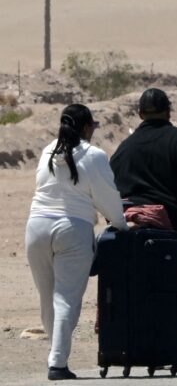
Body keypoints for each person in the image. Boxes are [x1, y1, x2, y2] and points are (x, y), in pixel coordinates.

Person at [26, 104, 130, 381]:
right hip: (72, 229)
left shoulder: (48, 150)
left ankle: (55, 353)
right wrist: (121, 225)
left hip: (35, 228)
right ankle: (57, 363)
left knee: (47, 297)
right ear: (86, 127)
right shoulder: (94, 155)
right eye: (93, 126)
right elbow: (107, 197)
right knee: (66, 299)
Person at [110, 88, 177, 239]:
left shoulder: (123, 149)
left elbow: (111, 193)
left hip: (132, 238)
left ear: (140, 114)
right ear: (168, 112)